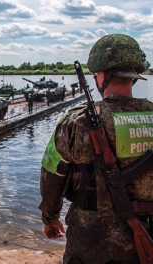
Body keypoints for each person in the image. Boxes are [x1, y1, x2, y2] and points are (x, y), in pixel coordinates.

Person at [39, 34, 152, 264]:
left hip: (88, 243)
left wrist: (50, 218)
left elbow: (52, 172)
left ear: (101, 76)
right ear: (134, 77)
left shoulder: (75, 122)